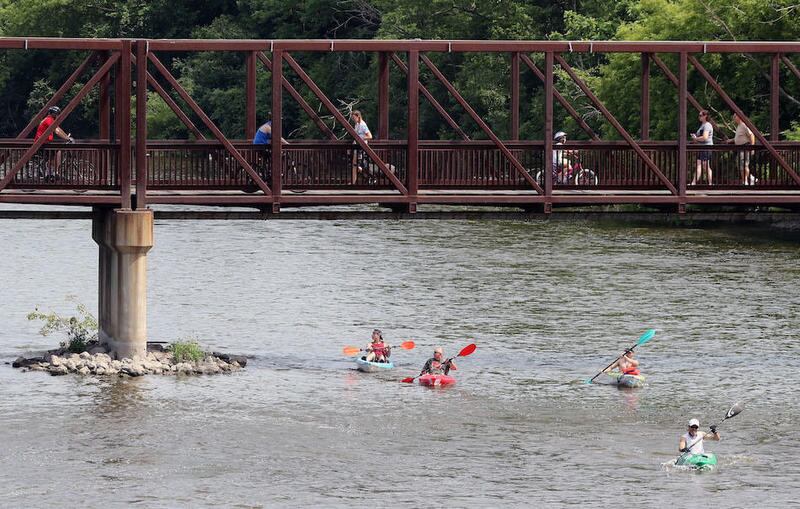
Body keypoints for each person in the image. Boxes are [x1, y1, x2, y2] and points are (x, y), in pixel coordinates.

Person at [33, 106, 74, 175]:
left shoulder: (49, 120)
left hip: (43, 142)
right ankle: (55, 172)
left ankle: (50, 171)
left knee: (54, 154)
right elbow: (57, 131)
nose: (57, 115)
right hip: (42, 143)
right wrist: (67, 139)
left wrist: (66, 137)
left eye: (57, 114)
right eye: (56, 114)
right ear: (52, 114)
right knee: (58, 152)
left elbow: (58, 129)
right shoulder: (48, 119)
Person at [728, 112, 756, 185]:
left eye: (735, 116)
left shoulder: (744, 125)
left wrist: (752, 148)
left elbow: (751, 135)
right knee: (740, 165)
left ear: (739, 117)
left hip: (745, 147)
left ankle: (746, 181)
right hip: (740, 148)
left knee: (744, 165)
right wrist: (731, 140)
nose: (733, 118)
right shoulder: (739, 126)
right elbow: (739, 137)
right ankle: (748, 179)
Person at [690, 110, 714, 185]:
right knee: (701, 165)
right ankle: (694, 183)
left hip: (706, 148)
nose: (699, 117)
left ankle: (709, 184)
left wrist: (696, 138)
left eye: (700, 115)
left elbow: (705, 137)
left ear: (705, 116)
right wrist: (695, 138)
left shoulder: (707, 125)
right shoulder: (703, 125)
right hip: (702, 148)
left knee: (705, 166)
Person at [350, 110, 372, 183]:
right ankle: (353, 182)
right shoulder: (357, 124)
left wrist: (360, 138)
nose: (353, 119)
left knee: (357, 165)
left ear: (358, 116)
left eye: (354, 118)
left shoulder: (363, 125)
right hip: (356, 146)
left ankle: (370, 176)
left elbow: (370, 136)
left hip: (361, 147)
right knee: (354, 165)